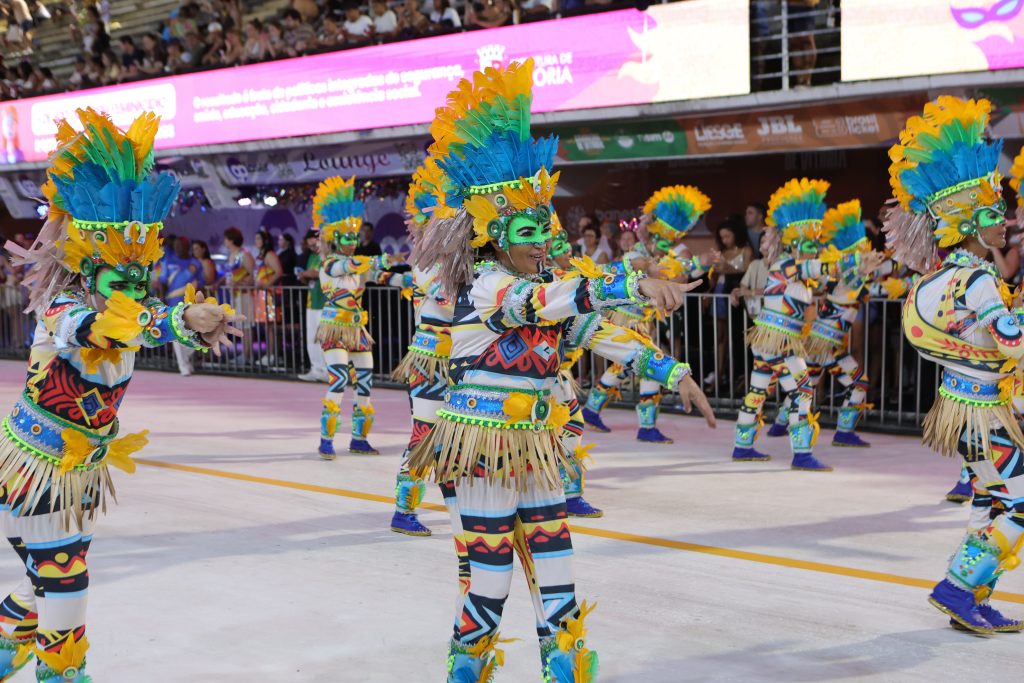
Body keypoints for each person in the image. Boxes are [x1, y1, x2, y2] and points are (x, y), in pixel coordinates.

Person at [407, 59, 715, 681]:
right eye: (528, 230)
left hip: (538, 447)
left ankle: (567, 673)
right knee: (490, 583)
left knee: (558, 574)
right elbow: (548, 304)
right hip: (484, 446)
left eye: (546, 229)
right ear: (494, 235)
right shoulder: (490, 285)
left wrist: (672, 369)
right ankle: (464, 673)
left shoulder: (537, 281)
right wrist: (630, 280)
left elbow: (592, 330)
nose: (543, 243)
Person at [0, 108, 240, 683]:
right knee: (64, 583)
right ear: (86, 270)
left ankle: (10, 643)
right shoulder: (65, 309)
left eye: (137, 279)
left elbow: (148, 316)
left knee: (52, 576)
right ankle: (61, 673)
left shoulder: (124, 305)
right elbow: (105, 327)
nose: (130, 291)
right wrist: (175, 318)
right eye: (117, 279)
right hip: (38, 468)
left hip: (78, 467)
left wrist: (188, 316)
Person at [887, 96, 1024, 634]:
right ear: (969, 220)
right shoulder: (979, 279)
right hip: (987, 417)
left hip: (967, 413)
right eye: (994, 214)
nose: (1006, 222)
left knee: (991, 503)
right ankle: (959, 588)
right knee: (1020, 505)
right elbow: (1010, 342)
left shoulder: (942, 277)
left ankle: (969, 598)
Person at [731, 178, 874, 470]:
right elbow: (824, 267)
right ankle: (801, 453)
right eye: (811, 244)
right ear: (796, 243)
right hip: (780, 342)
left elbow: (834, 280)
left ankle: (742, 446)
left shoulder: (794, 269)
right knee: (802, 391)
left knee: (758, 391)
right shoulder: (788, 264)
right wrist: (855, 261)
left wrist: (860, 270)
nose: (815, 249)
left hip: (770, 342)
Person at [583, 186, 714, 446]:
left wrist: (695, 263)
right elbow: (667, 273)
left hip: (637, 317)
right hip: (628, 317)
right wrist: (698, 262)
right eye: (645, 222)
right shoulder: (639, 254)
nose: (644, 225)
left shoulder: (651, 251)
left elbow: (672, 272)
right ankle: (643, 424)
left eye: (648, 221)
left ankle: (598, 409)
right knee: (648, 363)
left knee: (630, 364)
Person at [764, 200, 884, 446]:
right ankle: (842, 432)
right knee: (856, 383)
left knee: (809, 383)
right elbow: (851, 282)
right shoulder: (845, 276)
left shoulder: (849, 275)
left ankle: (779, 425)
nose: (867, 256)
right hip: (825, 345)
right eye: (862, 252)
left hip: (825, 343)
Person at [386, 160, 452, 536]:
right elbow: (448, 298)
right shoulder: (427, 266)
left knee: (457, 433)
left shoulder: (458, 263)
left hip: (459, 361)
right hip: (429, 360)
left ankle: (460, 500)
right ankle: (403, 509)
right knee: (424, 432)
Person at [313, 176, 397, 458]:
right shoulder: (329, 264)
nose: (352, 242)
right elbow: (348, 265)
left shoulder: (359, 266)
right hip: (334, 329)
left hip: (358, 330)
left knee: (365, 382)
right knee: (338, 380)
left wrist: (407, 280)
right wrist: (375, 260)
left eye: (354, 237)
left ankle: (359, 439)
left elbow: (382, 276)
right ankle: (326, 439)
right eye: (346, 237)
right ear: (334, 239)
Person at [707, 215, 753, 392]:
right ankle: (719, 373)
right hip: (720, 292)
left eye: (728, 236)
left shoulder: (746, 250)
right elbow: (715, 278)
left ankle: (737, 374)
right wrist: (712, 273)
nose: (725, 240)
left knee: (736, 336)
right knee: (720, 337)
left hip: (736, 296)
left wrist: (730, 269)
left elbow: (748, 274)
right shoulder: (722, 252)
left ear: (736, 234)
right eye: (722, 237)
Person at [157, 235, 206, 376]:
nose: (177, 248)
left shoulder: (195, 263)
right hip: (173, 303)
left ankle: (186, 360)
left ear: (186, 246)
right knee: (177, 334)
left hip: (191, 304)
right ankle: (183, 366)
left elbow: (201, 282)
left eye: (180, 245)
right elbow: (161, 281)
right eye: (176, 245)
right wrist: (161, 297)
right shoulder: (168, 261)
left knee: (194, 334)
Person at [298, 229, 329, 382]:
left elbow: (323, 273)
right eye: (310, 246)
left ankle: (327, 370)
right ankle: (315, 368)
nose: (313, 248)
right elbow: (310, 275)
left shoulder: (328, 256)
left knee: (323, 337)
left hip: (325, 301)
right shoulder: (312, 256)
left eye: (315, 244)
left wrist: (311, 274)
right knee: (311, 337)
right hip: (312, 301)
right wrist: (303, 276)